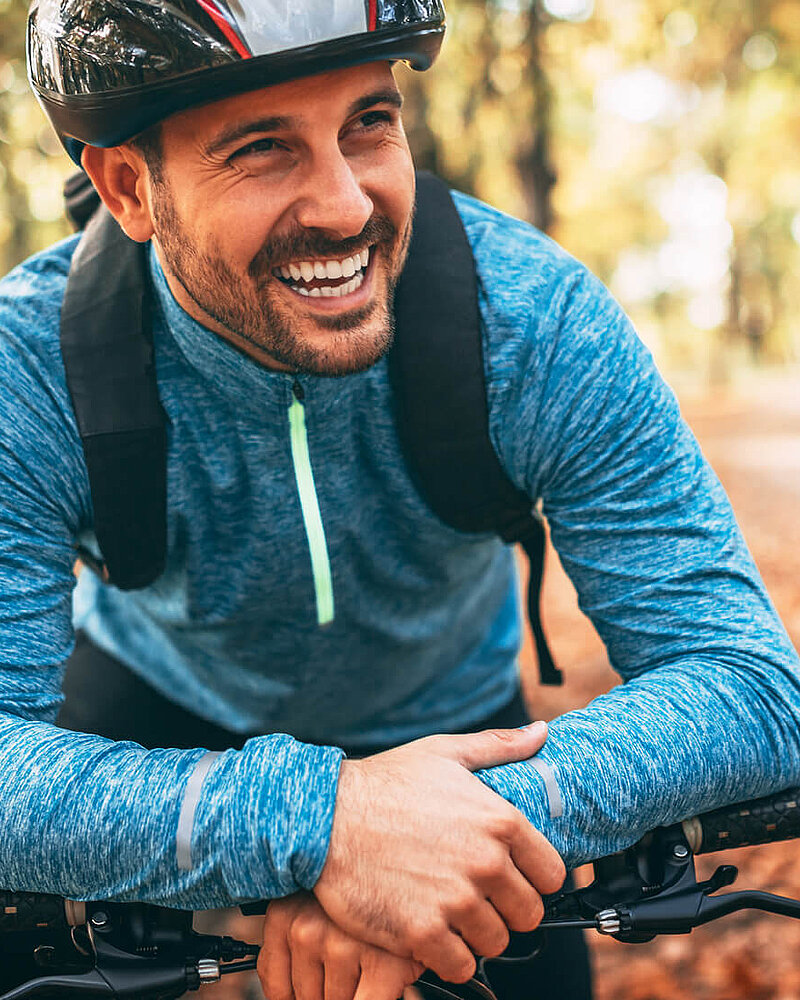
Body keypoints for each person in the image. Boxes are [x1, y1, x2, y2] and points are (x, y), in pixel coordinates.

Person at [1, 2, 798, 1000]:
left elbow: (748, 682)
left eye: (369, 123)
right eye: (261, 149)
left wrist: (447, 826)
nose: (345, 205)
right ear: (127, 185)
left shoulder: (530, 322)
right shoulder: (30, 369)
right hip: (159, 700)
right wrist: (323, 825)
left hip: (456, 719)